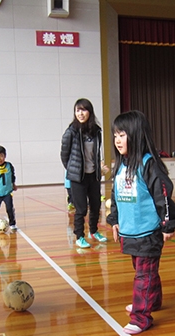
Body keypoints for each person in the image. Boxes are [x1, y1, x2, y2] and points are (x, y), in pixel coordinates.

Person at [106, 110, 175, 335]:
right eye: (116, 135)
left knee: (144, 274)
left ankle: (141, 316)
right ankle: (152, 301)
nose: (118, 140)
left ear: (136, 135)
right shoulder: (121, 165)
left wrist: (167, 224)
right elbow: (115, 195)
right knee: (143, 270)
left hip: (148, 232)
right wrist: (114, 221)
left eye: (123, 135)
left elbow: (164, 194)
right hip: (130, 230)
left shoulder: (149, 165)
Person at [61, 98, 107, 249]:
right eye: (77, 110)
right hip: (77, 177)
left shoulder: (96, 131)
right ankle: (79, 236)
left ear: (90, 112)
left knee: (95, 205)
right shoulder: (71, 132)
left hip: (93, 174)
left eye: (83, 110)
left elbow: (96, 152)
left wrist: (99, 166)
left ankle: (93, 231)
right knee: (81, 209)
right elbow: (64, 154)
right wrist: (72, 169)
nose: (80, 113)